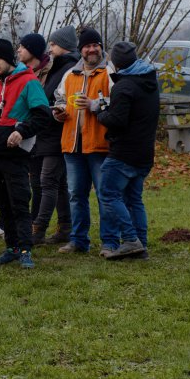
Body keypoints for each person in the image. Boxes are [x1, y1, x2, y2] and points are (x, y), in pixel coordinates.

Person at [0, 38, 52, 268]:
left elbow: (43, 116)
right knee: (3, 204)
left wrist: (22, 131)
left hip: (15, 156)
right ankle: (11, 248)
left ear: (9, 59)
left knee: (20, 203)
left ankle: (25, 250)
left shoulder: (29, 82)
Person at [53, 27, 116, 256]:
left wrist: (93, 105)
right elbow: (60, 98)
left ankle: (110, 242)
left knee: (105, 195)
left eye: (95, 45)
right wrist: (59, 112)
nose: (92, 49)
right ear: (80, 50)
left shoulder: (109, 73)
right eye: (87, 46)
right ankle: (79, 240)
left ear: (101, 47)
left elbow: (119, 102)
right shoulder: (70, 74)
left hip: (100, 144)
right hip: (72, 145)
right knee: (76, 195)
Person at [97, 42, 160, 260]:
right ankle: (141, 245)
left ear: (116, 63)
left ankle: (131, 239)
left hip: (123, 153)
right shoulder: (149, 82)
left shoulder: (124, 86)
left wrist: (101, 113)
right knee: (133, 199)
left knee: (108, 193)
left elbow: (117, 121)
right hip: (144, 153)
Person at [28, 26, 79, 244]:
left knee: (48, 182)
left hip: (56, 133)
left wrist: (48, 112)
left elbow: (61, 100)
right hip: (49, 132)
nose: (50, 48)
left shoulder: (68, 69)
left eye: (54, 44)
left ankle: (37, 230)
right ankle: (65, 227)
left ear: (64, 45)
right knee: (58, 184)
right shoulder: (59, 67)